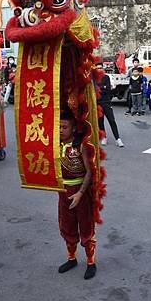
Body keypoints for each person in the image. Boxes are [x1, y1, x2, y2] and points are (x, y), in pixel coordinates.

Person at [57, 113, 97, 280]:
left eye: (64, 127)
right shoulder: (54, 143)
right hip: (63, 191)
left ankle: (90, 262)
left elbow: (90, 172)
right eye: (58, 126)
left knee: (86, 227)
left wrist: (80, 193)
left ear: (73, 128)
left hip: (80, 191)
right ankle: (71, 258)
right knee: (67, 226)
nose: (60, 130)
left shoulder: (81, 145)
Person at [95, 62, 124, 147]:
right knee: (100, 122)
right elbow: (95, 89)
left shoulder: (106, 77)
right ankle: (104, 137)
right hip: (98, 103)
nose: (99, 69)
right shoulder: (94, 78)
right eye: (98, 68)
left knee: (112, 120)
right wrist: (102, 87)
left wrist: (101, 88)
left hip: (107, 102)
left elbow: (107, 89)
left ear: (103, 69)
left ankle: (118, 139)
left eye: (100, 68)